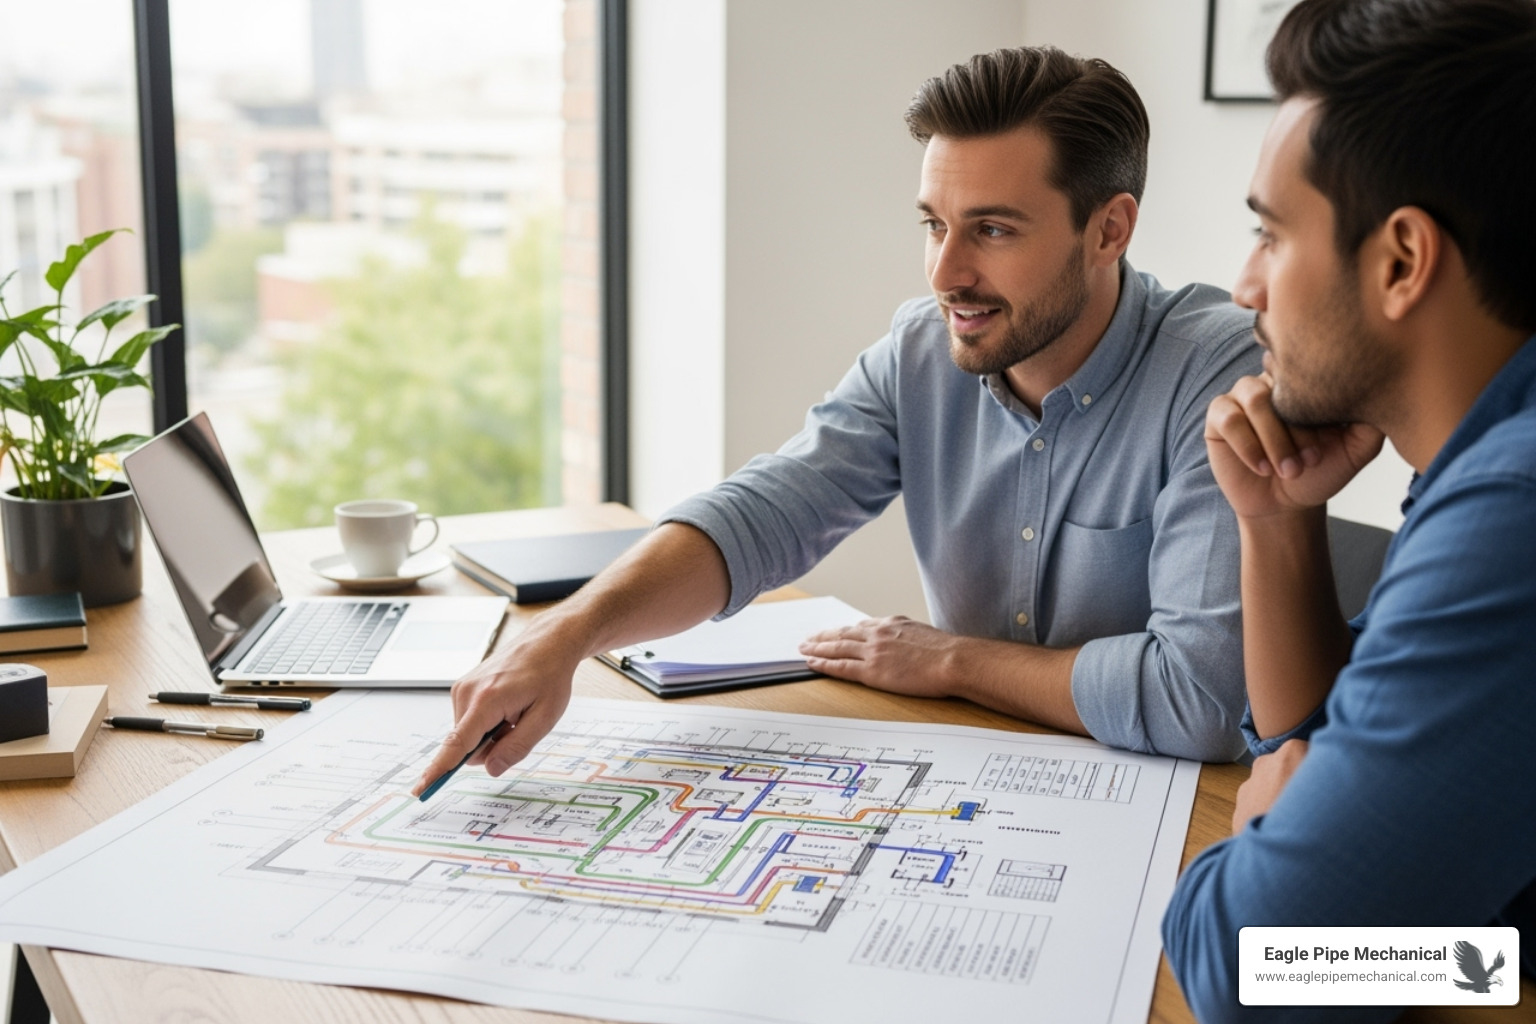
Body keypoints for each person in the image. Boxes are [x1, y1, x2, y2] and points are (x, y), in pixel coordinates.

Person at [414, 45, 1260, 797]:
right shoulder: (924, 350)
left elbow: (1200, 702)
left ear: (1109, 228)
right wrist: (565, 638)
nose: (947, 272)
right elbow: (768, 511)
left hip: (1184, 817)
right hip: (986, 779)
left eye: (993, 230)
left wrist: (953, 660)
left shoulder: (1213, 369)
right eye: (934, 225)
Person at [1162, 0, 1536, 1019]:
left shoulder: (1513, 505)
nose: (1245, 287)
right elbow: (1326, 741)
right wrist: (1277, 520)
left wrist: (1254, 845)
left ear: (1403, 261)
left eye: (1271, 235)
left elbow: (1253, 971)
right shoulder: (1484, 460)